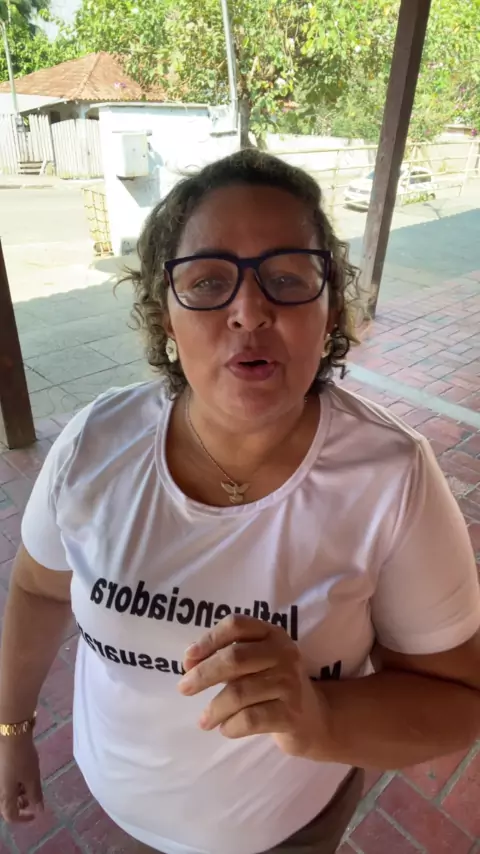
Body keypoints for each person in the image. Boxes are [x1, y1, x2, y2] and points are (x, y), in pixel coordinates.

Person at [0, 149, 479, 854]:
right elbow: (39, 590)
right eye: (207, 282)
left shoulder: (391, 476)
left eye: (287, 278)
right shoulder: (94, 444)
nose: (249, 311)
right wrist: (10, 729)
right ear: (166, 316)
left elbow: (460, 701)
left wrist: (318, 717)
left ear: (330, 310)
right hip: (122, 816)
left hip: (289, 832)